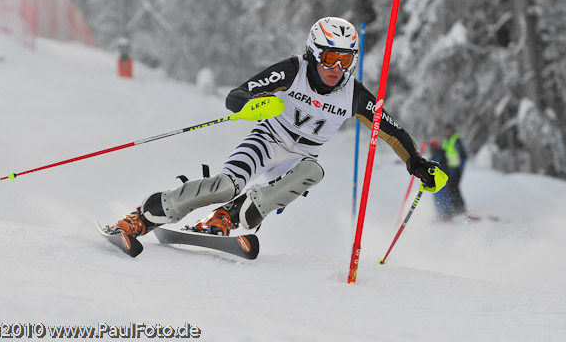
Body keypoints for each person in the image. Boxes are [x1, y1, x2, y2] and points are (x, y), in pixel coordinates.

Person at [109, 17, 444, 238]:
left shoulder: (354, 94)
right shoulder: (291, 71)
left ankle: (228, 217)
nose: (336, 68)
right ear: (314, 53)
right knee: (224, 185)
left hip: (298, 162)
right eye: (329, 58)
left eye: (345, 60)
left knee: (312, 171)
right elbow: (236, 95)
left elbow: (393, 132)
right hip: (267, 140)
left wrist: (415, 162)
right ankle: (147, 215)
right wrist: (250, 104)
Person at [442, 124, 467, 215]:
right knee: (450, 187)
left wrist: (461, 167)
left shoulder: (456, 139)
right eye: (446, 130)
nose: (447, 132)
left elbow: (464, 155)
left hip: (456, 169)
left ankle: (460, 208)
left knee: (454, 187)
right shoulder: (445, 140)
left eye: (449, 130)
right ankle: (455, 207)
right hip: (448, 169)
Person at [428, 138, 453, 221]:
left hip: (442, 179)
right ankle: (440, 215)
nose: (431, 148)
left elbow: (445, 168)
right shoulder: (432, 155)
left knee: (444, 197)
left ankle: (448, 214)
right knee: (437, 197)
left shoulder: (441, 154)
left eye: (433, 146)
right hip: (435, 180)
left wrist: (446, 179)